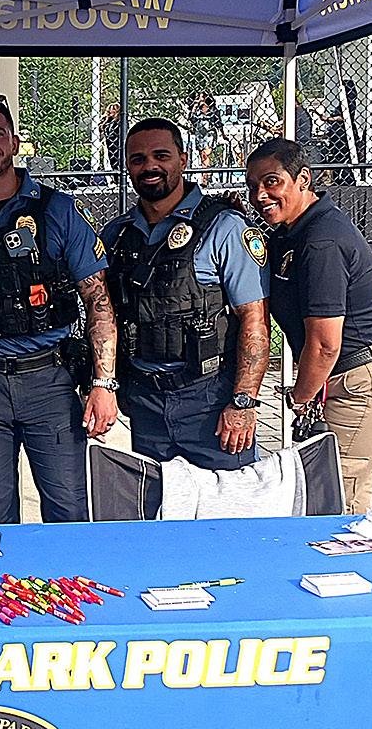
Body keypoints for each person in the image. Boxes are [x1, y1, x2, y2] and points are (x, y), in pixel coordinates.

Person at [0, 94, 118, 525]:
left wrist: (103, 384)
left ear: (14, 142)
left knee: (68, 513)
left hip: (49, 380)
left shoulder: (57, 211)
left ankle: (65, 573)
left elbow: (98, 300)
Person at [246, 138, 372, 513]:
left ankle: (345, 552)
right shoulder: (294, 230)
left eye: (272, 181)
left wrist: (301, 397)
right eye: (252, 185)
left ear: (303, 179)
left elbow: (325, 345)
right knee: (349, 486)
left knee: (336, 495)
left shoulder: (321, 240)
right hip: (353, 374)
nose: (260, 194)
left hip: (363, 379)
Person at [103, 117, 271, 470]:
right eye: (138, 159)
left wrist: (243, 402)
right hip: (145, 401)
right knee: (159, 500)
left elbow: (254, 319)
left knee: (228, 499)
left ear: (182, 159)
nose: (150, 166)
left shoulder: (224, 227)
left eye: (161, 156)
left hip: (210, 398)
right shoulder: (117, 235)